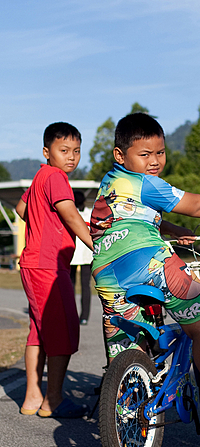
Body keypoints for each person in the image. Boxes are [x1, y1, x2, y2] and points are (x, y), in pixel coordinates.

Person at [91, 112, 200, 447]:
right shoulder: (147, 183)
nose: (154, 161)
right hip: (149, 262)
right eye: (145, 154)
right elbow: (194, 204)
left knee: (128, 344)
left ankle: (121, 423)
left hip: (107, 272)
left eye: (160, 152)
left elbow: (123, 216)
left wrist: (170, 229)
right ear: (120, 155)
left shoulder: (110, 184)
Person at [16, 122, 93, 418]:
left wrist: (42, 224)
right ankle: (54, 400)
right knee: (63, 329)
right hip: (48, 264)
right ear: (47, 152)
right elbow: (70, 214)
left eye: (76, 151)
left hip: (33, 263)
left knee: (39, 331)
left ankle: (32, 397)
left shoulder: (40, 177)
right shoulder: (57, 177)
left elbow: (21, 209)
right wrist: (95, 243)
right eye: (64, 150)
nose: (71, 157)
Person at [70, 190, 93, 325]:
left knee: (74, 286)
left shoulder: (72, 213)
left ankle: (80, 316)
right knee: (83, 286)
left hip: (83, 255)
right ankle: (82, 316)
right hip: (79, 254)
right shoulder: (90, 213)